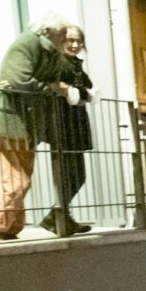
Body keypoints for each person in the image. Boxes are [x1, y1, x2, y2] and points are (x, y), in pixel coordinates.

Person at [0, 13, 75, 242]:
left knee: (20, 177)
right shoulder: (27, 44)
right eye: (62, 34)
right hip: (14, 121)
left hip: (25, 123)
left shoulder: (48, 50)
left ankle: (9, 227)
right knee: (16, 179)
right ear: (48, 32)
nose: (66, 37)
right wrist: (53, 89)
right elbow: (16, 80)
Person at [40, 23, 93, 237]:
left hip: (73, 124)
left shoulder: (73, 64)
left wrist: (82, 92)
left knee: (75, 175)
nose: (75, 44)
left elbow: (86, 87)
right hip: (64, 124)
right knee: (70, 175)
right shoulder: (60, 63)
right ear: (61, 41)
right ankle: (58, 217)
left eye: (78, 40)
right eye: (70, 40)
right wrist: (81, 92)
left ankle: (59, 216)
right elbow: (63, 88)